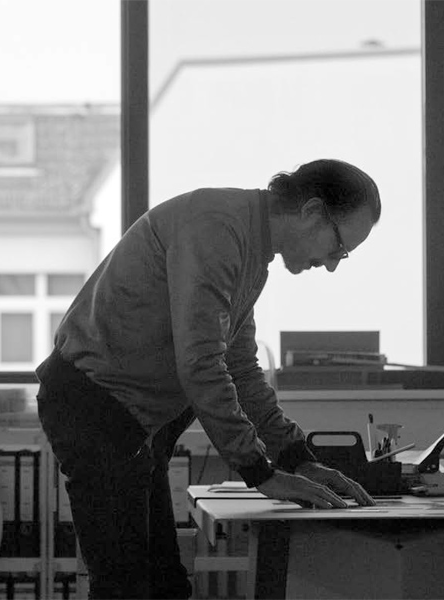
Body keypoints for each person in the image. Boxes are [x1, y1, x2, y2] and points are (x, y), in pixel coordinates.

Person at [35, 158, 381, 599]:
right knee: (125, 588)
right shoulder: (219, 229)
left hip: (134, 424)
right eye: (339, 248)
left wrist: (297, 457)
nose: (331, 265)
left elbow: (241, 370)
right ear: (312, 212)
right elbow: (201, 364)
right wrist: (260, 472)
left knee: (164, 585)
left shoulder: (250, 250)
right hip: (95, 410)